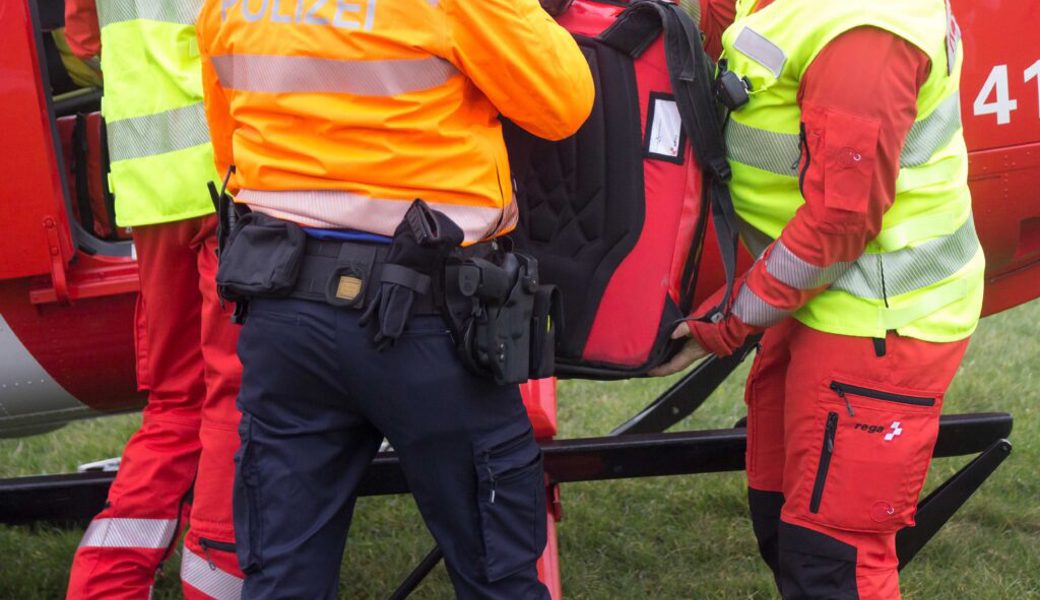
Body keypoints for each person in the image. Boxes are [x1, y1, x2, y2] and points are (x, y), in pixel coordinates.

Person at [195, 0, 593, 597]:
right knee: (496, 574)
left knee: (283, 576)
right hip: (429, 320)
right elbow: (564, 104)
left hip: (285, 310)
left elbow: (228, 150)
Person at [652, 0, 984, 598]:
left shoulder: (866, 35)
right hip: (810, 298)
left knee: (835, 560)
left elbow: (840, 224)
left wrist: (729, 322)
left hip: (878, 315)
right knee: (781, 521)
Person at [64, 2, 246, 598]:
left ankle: (104, 586)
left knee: (175, 403)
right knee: (235, 399)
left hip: (152, 194)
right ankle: (215, 582)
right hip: (231, 181)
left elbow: (85, 44)